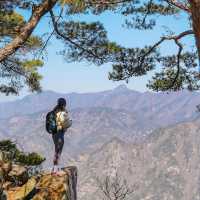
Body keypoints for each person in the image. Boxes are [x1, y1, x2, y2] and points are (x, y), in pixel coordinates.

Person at [51, 97, 72, 174]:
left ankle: (55, 167)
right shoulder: (63, 113)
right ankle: (55, 169)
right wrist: (70, 122)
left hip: (54, 134)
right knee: (58, 151)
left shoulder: (54, 111)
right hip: (60, 133)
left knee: (56, 149)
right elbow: (66, 124)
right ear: (64, 104)